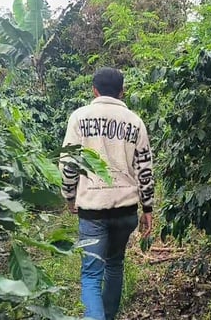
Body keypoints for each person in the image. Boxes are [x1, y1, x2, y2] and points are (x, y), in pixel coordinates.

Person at [59, 67, 154, 320]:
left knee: (91, 274)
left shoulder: (79, 118)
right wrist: (148, 208)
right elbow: (144, 168)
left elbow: (69, 163)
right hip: (125, 210)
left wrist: (70, 196)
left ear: (94, 90)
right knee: (115, 264)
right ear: (123, 92)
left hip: (92, 210)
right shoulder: (135, 122)